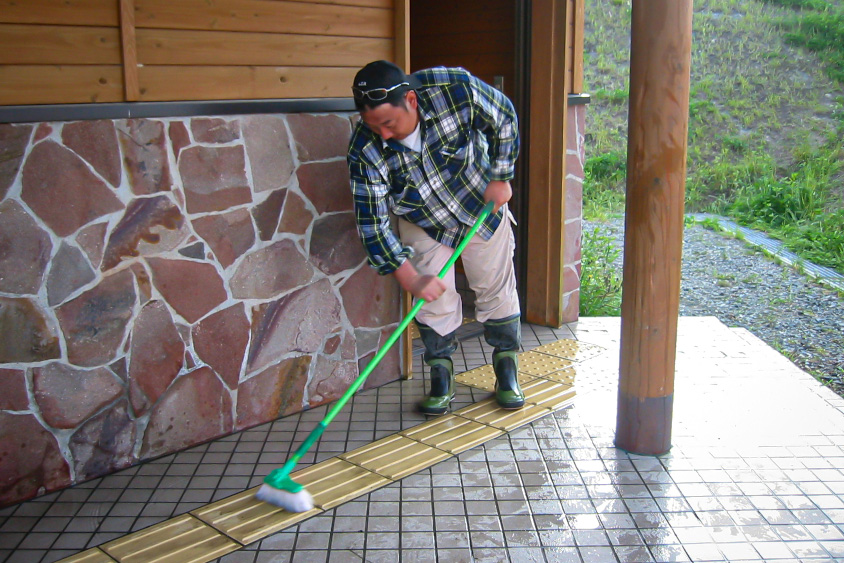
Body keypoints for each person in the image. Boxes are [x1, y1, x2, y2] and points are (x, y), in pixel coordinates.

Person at [347, 60, 524, 415]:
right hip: (423, 219)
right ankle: (441, 375)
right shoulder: (364, 151)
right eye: (372, 125)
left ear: (411, 100)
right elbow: (373, 224)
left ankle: (506, 368)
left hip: (480, 206)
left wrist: (502, 176)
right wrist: (411, 278)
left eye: (388, 123)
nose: (382, 133)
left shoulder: (453, 88)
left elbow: (503, 116)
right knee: (432, 300)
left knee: (494, 286)